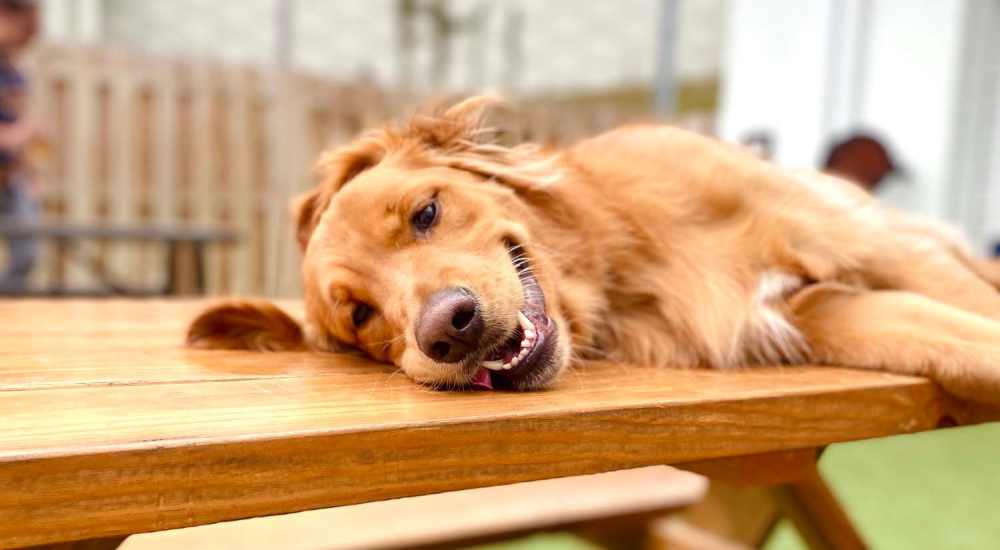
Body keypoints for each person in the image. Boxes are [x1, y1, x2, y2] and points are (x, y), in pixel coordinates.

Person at [0, 0, 39, 292]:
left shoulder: (14, 74)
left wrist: (28, 174)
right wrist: (17, 135)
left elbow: (16, 122)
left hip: (9, 178)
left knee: (26, 252)